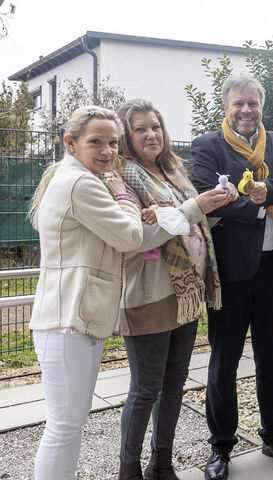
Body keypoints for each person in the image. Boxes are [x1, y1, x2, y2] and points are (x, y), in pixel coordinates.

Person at [191, 73, 273, 480]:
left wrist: (266, 193)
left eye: (252, 103)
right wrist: (266, 208)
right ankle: (221, 447)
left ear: (262, 105)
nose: (245, 110)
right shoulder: (208, 145)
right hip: (231, 272)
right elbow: (208, 193)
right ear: (225, 106)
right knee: (224, 363)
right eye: (238, 103)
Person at [114, 99, 236, 479]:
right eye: (140, 129)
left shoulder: (171, 170)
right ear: (125, 136)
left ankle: (161, 463)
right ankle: (129, 469)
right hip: (149, 295)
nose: (151, 134)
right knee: (145, 389)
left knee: (174, 386)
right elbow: (135, 237)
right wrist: (191, 209)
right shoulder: (121, 178)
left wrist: (213, 205)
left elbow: (189, 225)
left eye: (156, 127)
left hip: (186, 294)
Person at [28, 106, 143, 480]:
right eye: (96, 142)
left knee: (69, 424)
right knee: (64, 427)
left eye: (113, 142)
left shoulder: (73, 176)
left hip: (72, 317)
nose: (108, 151)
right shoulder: (81, 183)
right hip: (69, 320)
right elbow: (130, 235)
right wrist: (124, 195)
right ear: (70, 142)